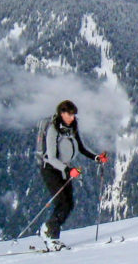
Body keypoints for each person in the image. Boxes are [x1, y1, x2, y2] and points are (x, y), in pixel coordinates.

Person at [38, 100, 108, 250]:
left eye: (73, 114)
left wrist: (96, 157)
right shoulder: (53, 130)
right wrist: (68, 170)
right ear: (61, 113)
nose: (72, 117)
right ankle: (50, 233)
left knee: (69, 204)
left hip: (65, 170)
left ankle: (49, 230)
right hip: (51, 170)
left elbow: (81, 148)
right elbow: (51, 157)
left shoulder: (72, 128)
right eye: (69, 114)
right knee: (62, 202)